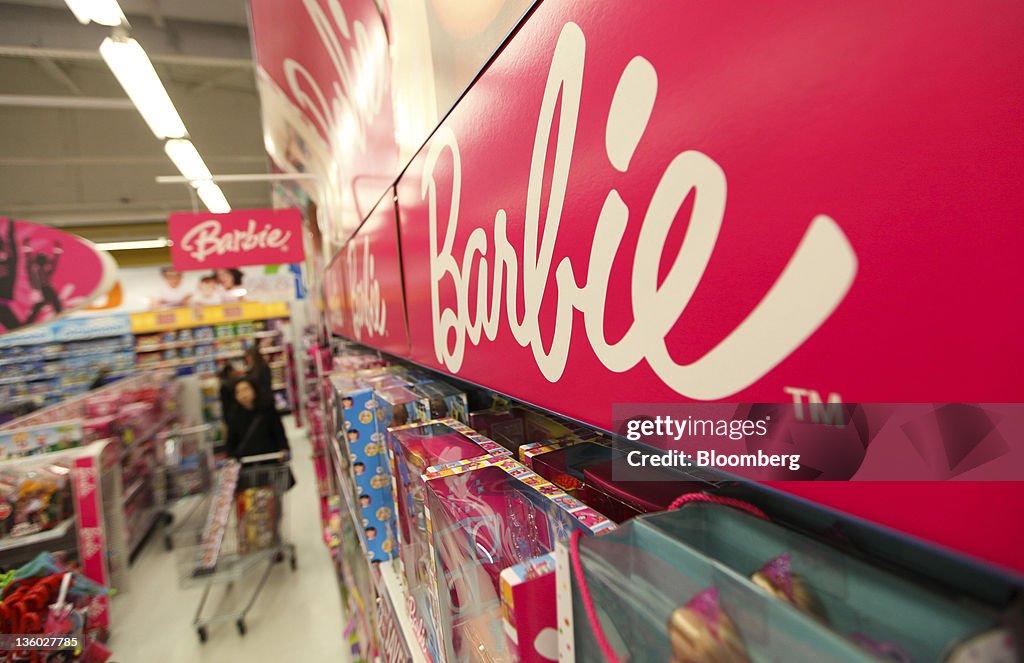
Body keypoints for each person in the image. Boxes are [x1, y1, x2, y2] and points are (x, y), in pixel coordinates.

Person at [225, 378, 290, 460]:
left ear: (254, 390)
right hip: (246, 463)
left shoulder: (268, 410)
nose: (243, 394)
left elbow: (279, 432)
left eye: (245, 389)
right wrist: (230, 457)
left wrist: (283, 449)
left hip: (270, 459)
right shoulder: (234, 416)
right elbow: (231, 440)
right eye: (238, 392)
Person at [244, 345, 274, 410]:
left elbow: (265, 384)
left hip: (264, 400)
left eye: (248, 356)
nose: (247, 359)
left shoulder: (263, 367)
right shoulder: (253, 367)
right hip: (260, 399)